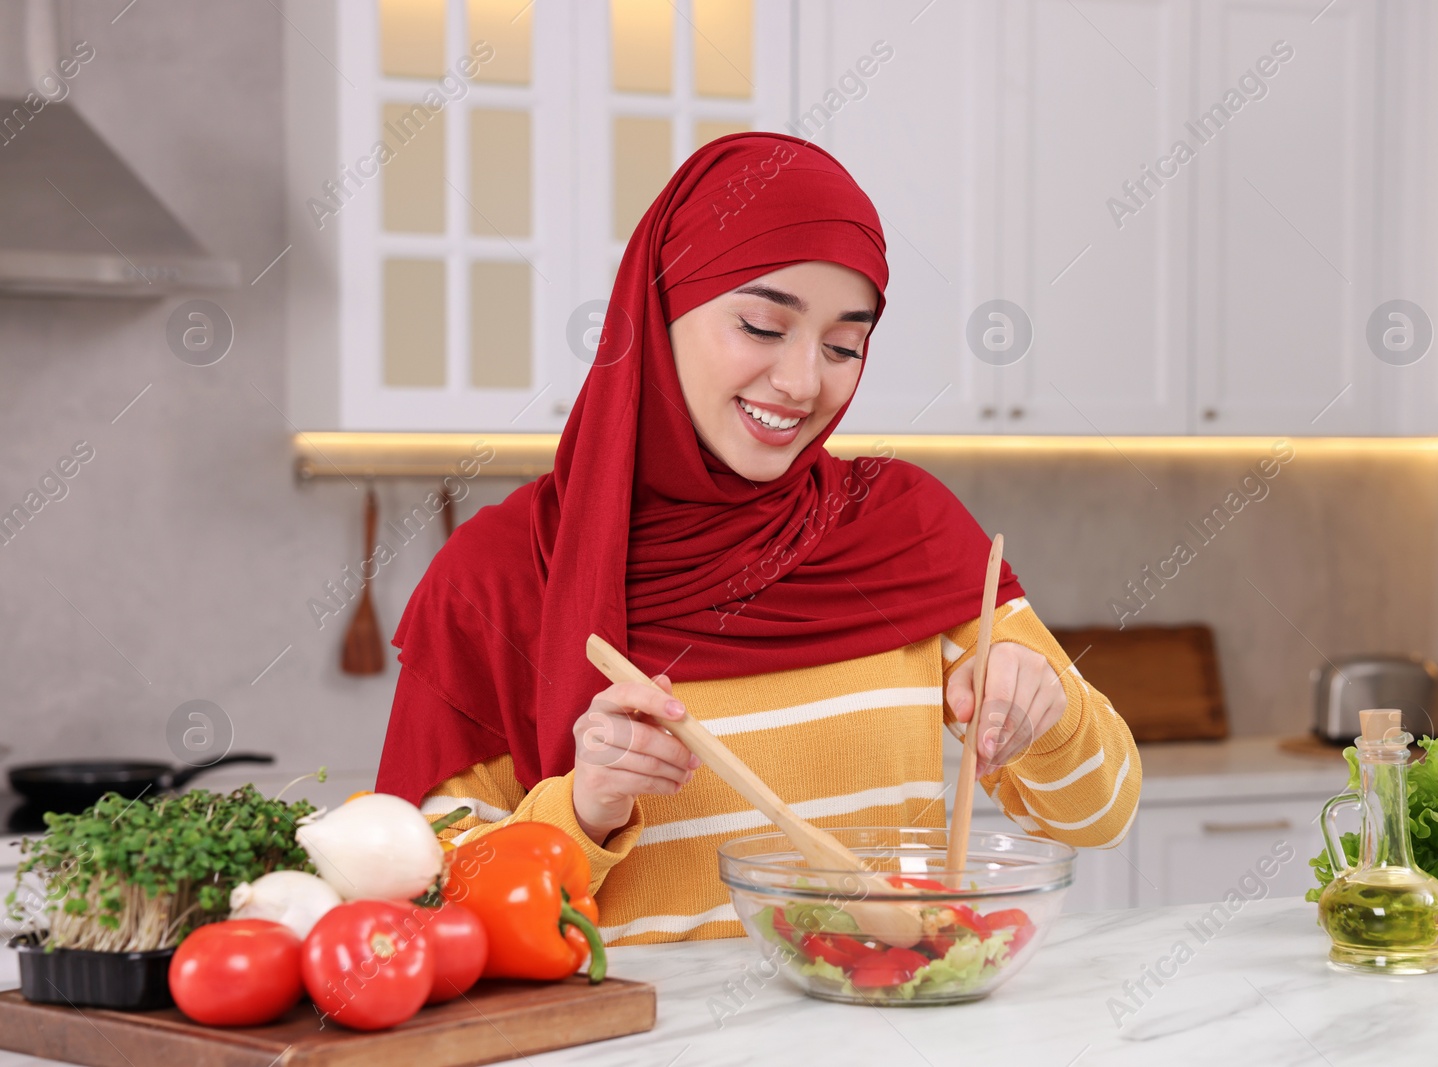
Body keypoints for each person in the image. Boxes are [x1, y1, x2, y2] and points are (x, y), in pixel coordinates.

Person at [376, 133, 1140, 946]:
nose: (804, 382)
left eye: (844, 345)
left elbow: (1101, 815)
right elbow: (427, 902)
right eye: (762, 326)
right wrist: (584, 807)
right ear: (659, 307)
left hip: (882, 1026)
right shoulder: (496, 576)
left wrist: (1045, 713)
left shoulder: (903, 522)